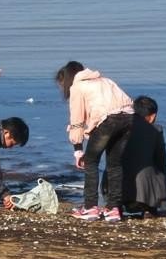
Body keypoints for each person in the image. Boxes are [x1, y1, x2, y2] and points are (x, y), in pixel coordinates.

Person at [55, 61, 134, 222]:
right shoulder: (105, 80)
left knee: (90, 161)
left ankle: (90, 207)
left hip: (108, 120)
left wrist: (78, 151)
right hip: (129, 118)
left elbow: (77, 121)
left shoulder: (77, 87)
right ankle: (113, 209)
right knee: (115, 164)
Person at [121, 95, 166, 216]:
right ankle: (149, 207)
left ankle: (117, 207)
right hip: (144, 192)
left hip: (118, 187)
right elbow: (162, 160)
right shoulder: (155, 129)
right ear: (152, 116)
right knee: (164, 171)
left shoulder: (121, 127)